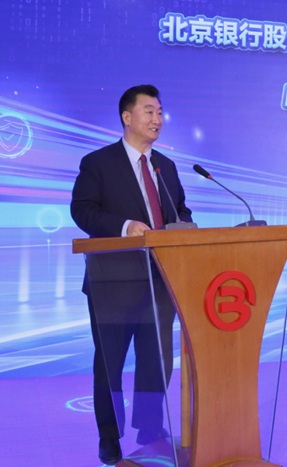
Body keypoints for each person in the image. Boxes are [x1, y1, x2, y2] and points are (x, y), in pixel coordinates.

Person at [70, 85, 192, 465]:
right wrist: (124, 227)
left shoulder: (165, 166)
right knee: (110, 363)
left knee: (156, 360)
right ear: (127, 117)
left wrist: (184, 226)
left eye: (160, 112)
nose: (157, 119)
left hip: (161, 281)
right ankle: (109, 436)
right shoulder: (98, 162)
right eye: (149, 111)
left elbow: (180, 211)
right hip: (113, 282)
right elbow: (83, 210)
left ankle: (150, 427)